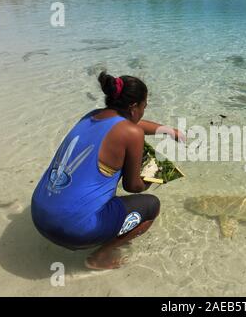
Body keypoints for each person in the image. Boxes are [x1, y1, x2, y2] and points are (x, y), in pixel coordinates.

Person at [31, 72, 185, 270]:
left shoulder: (91, 116)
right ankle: (100, 256)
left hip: (39, 217)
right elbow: (133, 187)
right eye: (144, 106)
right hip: (74, 232)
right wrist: (154, 177)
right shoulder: (132, 133)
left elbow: (130, 124)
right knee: (151, 206)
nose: (144, 112)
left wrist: (170, 131)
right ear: (133, 107)